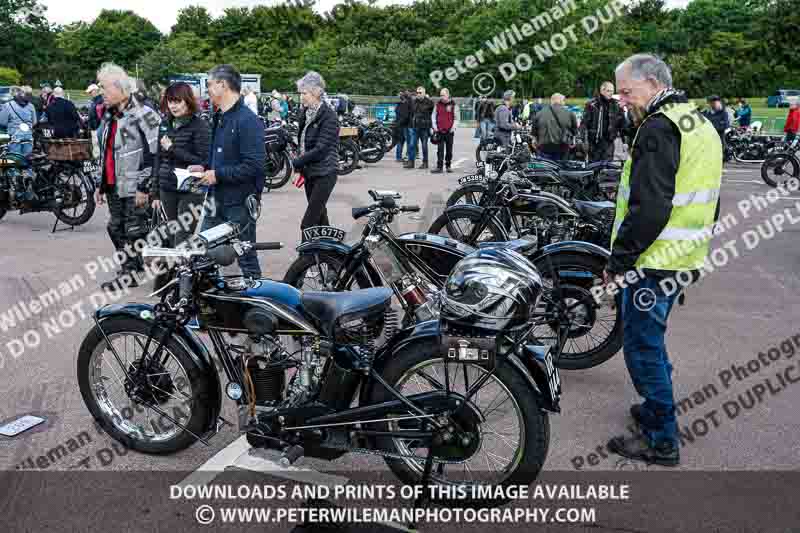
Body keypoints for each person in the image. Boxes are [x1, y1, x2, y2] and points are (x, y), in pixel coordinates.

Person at [604, 53, 723, 467]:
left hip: (653, 262)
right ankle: (656, 411)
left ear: (653, 83)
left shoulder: (658, 127)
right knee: (651, 338)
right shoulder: (698, 121)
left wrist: (618, 263)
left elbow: (648, 208)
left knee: (641, 346)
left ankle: (662, 439)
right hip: (682, 255)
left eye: (626, 91)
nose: (622, 100)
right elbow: (711, 196)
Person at [94, 63, 160, 291]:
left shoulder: (144, 114)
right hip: (113, 184)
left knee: (134, 229)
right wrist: (100, 185)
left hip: (134, 185)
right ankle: (132, 266)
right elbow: (107, 152)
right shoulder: (109, 116)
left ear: (120, 88)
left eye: (105, 87)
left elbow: (155, 152)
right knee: (115, 228)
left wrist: (145, 186)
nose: (102, 92)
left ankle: (129, 272)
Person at [198, 64, 266, 279]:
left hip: (239, 203)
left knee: (246, 258)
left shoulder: (248, 120)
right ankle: (209, 306)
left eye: (209, 84)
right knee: (203, 255)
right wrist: (204, 168)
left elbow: (254, 165)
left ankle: (257, 304)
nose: (207, 90)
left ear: (223, 85)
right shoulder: (220, 117)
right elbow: (221, 155)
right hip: (215, 200)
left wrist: (218, 175)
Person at [149, 82, 211, 248]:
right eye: (170, 101)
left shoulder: (200, 126)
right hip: (167, 186)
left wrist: (173, 149)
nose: (173, 106)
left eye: (177, 101)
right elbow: (158, 159)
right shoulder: (164, 124)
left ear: (187, 101)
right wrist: (154, 193)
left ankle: (182, 271)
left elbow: (204, 161)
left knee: (182, 236)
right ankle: (177, 271)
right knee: (171, 232)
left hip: (192, 187)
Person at [291, 71, 339, 235]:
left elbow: (321, 149)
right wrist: (300, 168)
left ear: (316, 92)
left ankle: (305, 258)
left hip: (325, 173)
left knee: (309, 222)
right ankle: (330, 254)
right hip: (310, 172)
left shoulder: (329, 116)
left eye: (304, 93)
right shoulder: (305, 112)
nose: (301, 97)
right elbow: (303, 141)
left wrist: (297, 162)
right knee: (320, 217)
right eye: (300, 93)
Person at [0, 86, 37, 200]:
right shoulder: (31, 106)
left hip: (14, 140)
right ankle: (30, 188)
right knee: (27, 164)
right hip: (28, 139)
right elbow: (34, 121)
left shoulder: (8, 105)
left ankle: (18, 192)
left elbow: (2, 122)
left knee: (14, 164)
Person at [580, 82, 626, 163]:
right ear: (602, 90)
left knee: (607, 168)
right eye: (608, 91)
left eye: (612, 91)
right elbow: (584, 124)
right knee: (593, 167)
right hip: (594, 143)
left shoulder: (617, 105)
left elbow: (622, 125)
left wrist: (625, 141)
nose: (611, 93)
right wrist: (584, 141)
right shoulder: (592, 104)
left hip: (609, 142)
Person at [532, 93, 577, 161]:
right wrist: (573, 141)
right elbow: (574, 131)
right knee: (562, 168)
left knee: (545, 168)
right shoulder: (570, 113)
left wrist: (534, 141)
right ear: (561, 101)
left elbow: (534, 132)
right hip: (563, 146)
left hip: (544, 146)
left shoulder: (539, 113)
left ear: (551, 101)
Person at [431, 88, 456, 174]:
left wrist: (453, 127)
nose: (441, 97)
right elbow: (434, 115)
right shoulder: (437, 104)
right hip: (439, 131)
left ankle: (448, 166)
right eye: (440, 95)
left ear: (448, 95)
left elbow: (456, 118)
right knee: (440, 150)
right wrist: (434, 126)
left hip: (449, 131)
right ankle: (439, 167)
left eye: (443, 95)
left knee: (449, 150)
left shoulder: (453, 105)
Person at [412, 86, 434, 170]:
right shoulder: (414, 101)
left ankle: (425, 162)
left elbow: (429, 112)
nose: (418, 94)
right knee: (412, 145)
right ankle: (411, 162)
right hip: (416, 126)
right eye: (417, 92)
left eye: (420, 92)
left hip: (425, 127)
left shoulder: (429, 102)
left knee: (424, 145)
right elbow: (414, 112)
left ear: (424, 93)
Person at [394, 91, 411, 163]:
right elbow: (406, 116)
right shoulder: (406, 105)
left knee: (400, 142)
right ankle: (408, 157)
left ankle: (398, 157)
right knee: (408, 142)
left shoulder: (398, 105)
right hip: (405, 125)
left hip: (398, 125)